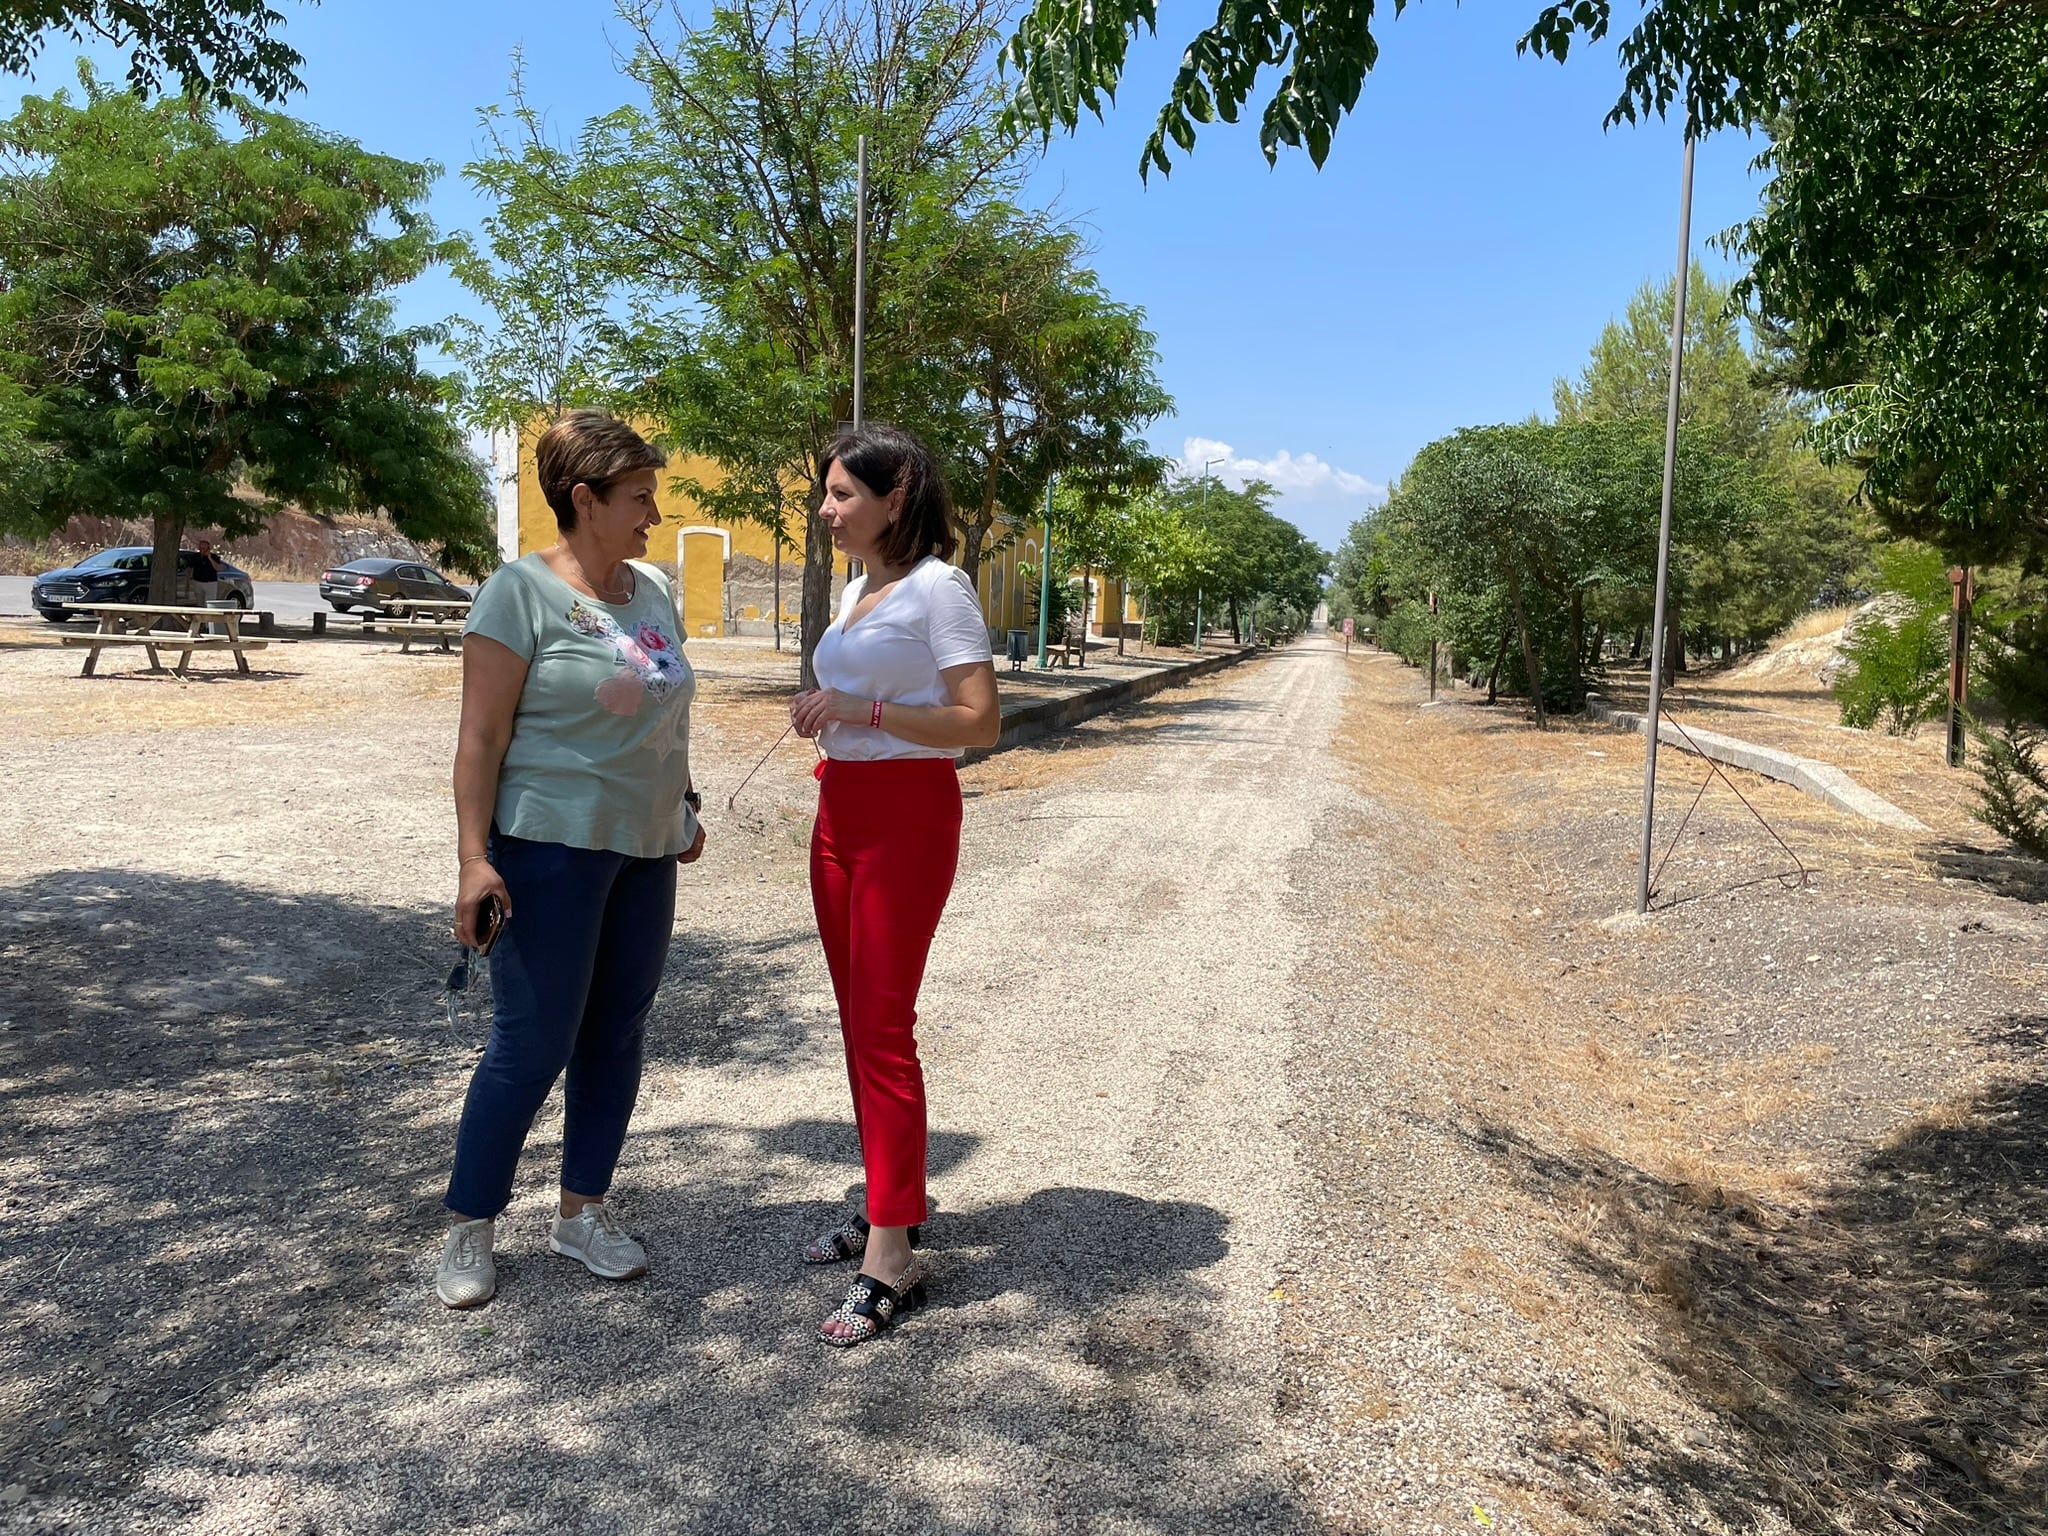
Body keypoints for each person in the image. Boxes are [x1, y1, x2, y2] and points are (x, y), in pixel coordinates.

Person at [435, 410, 707, 1309]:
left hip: (645, 851)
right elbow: (479, 738)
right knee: (532, 1042)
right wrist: (475, 860)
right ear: (583, 500)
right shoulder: (517, 594)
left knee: (616, 1036)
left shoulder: (653, 592)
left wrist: (685, 804)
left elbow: (668, 712)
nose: (652, 514)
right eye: (638, 498)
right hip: (548, 847)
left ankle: (579, 1213)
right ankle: (470, 1227)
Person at [789, 422, 1000, 1346]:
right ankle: (892, 1207)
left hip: (906, 819)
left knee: (882, 1029)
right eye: (826, 494)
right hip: (840, 810)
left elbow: (980, 722)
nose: (826, 511)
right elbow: (854, 704)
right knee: (857, 1023)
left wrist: (863, 709)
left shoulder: (938, 588)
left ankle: (892, 1260)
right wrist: (828, 721)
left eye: (841, 495)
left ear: (895, 499)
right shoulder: (857, 589)